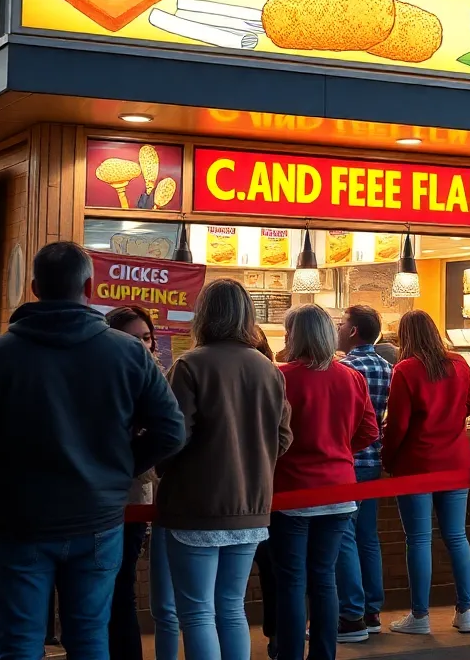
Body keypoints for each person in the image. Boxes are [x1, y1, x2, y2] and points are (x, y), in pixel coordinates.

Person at [0, 242, 185, 659]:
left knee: (19, 642)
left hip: (18, 523)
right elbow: (171, 431)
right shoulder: (129, 354)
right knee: (90, 639)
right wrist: (121, 468)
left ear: (34, 287)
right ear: (89, 286)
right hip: (99, 520)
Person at [155, 278, 291, 660]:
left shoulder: (190, 365)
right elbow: (283, 436)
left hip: (195, 504)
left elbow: (173, 437)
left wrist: (159, 468)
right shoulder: (268, 368)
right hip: (251, 505)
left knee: (197, 612)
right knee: (232, 608)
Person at [272, 304, 378, 660]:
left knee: (290, 581)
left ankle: (287, 654)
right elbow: (369, 431)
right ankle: (324, 653)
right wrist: (339, 449)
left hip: (290, 491)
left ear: (294, 335)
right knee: (324, 578)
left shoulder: (281, 377)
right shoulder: (351, 377)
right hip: (340, 488)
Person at [382, 310, 470, 636]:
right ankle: (466, 611)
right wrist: (449, 423)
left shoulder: (405, 370)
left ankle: (420, 616)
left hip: (416, 464)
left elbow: (397, 425)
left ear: (404, 337)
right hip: (456, 460)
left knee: (419, 539)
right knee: (456, 536)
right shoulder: (460, 365)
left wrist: (389, 459)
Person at [103, 306, 162, 660]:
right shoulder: (103, 376)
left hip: (134, 498)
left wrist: (134, 463)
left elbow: (169, 437)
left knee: (122, 585)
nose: (141, 345)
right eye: (131, 338)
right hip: (100, 499)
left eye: (146, 337)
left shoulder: (158, 377)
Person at [333, 305, 392, 640]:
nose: (338, 329)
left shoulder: (344, 368)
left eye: (342, 324)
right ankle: (373, 609)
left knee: (345, 537)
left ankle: (351, 610)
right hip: (373, 461)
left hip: (349, 461)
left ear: (353, 331)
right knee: (368, 537)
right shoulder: (387, 367)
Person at [247, 325, 279, 660]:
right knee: (274, 571)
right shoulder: (274, 376)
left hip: (224, 494)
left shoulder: (193, 366)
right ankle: (278, 639)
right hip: (273, 490)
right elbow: (283, 436)